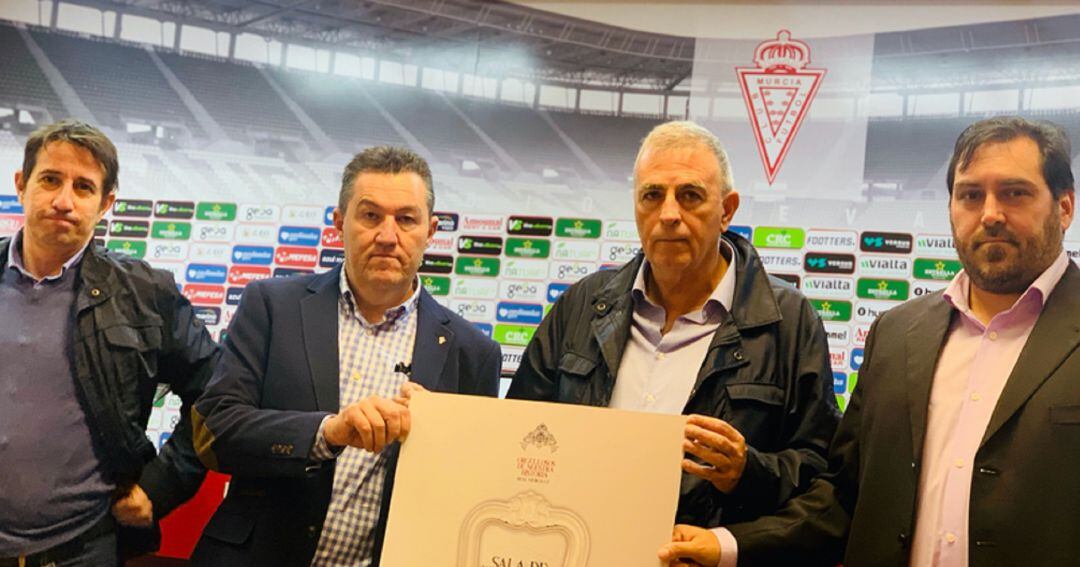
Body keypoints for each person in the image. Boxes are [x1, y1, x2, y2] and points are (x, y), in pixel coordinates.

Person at [659, 115, 1078, 567]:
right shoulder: (897, 334)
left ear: (1064, 207)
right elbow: (841, 497)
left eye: (1015, 193)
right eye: (970, 195)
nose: (990, 213)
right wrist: (726, 545)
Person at [508, 121, 840, 550]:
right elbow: (517, 432)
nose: (668, 214)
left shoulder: (788, 320)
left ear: (728, 210)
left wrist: (746, 473)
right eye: (652, 195)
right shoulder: (582, 305)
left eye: (690, 196)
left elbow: (823, 477)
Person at [190, 145, 502, 566]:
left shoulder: (473, 353)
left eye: (406, 219)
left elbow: (471, 489)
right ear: (340, 222)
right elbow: (217, 432)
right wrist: (328, 432)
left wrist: (433, 436)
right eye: (370, 215)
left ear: (431, 231)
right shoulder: (271, 306)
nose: (388, 236)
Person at [0, 119, 219, 565]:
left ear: (106, 203)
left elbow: (215, 391)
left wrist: (162, 485)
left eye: (83, 187)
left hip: (84, 547)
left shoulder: (146, 293)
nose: (64, 200)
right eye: (50, 180)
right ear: (21, 185)